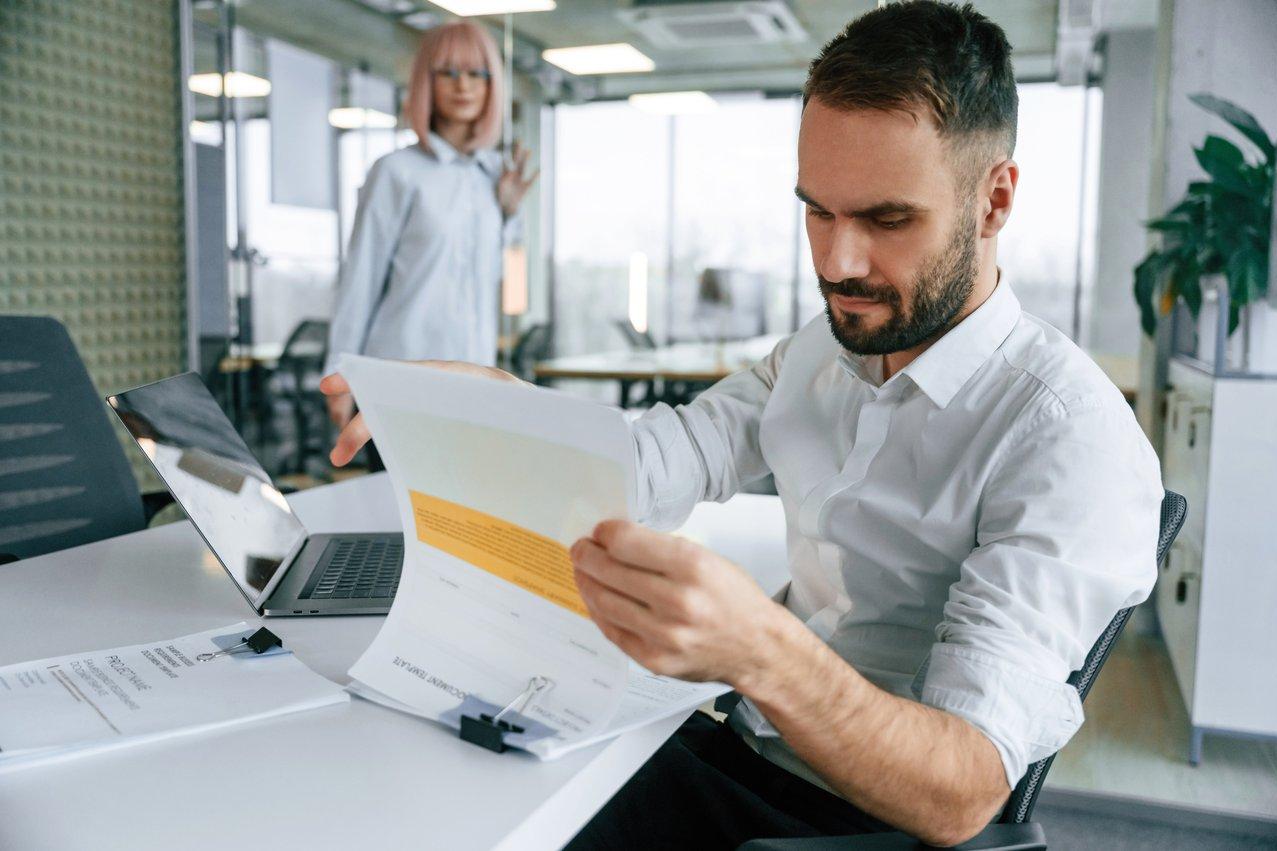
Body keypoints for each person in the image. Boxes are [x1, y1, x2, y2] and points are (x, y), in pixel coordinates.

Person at [321, 2, 1163, 847]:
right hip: (741, 749)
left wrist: (758, 649)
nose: (837, 262)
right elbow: (654, 460)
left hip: (838, 822)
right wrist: (489, 405)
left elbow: (960, 790)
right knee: (432, 756)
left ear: (995, 200)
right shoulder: (822, 353)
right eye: (818, 212)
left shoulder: (1068, 438)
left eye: (887, 219)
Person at [323, 20, 538, 450]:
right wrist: (341, 373)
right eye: (449, 73)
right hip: (400, 376)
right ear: (427, 82)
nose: (464, 86)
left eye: (479, 74)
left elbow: (510, 291)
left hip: (475, 380)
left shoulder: (493, 176)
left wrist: (510, 214)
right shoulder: (396, 172)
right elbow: (361, 277)